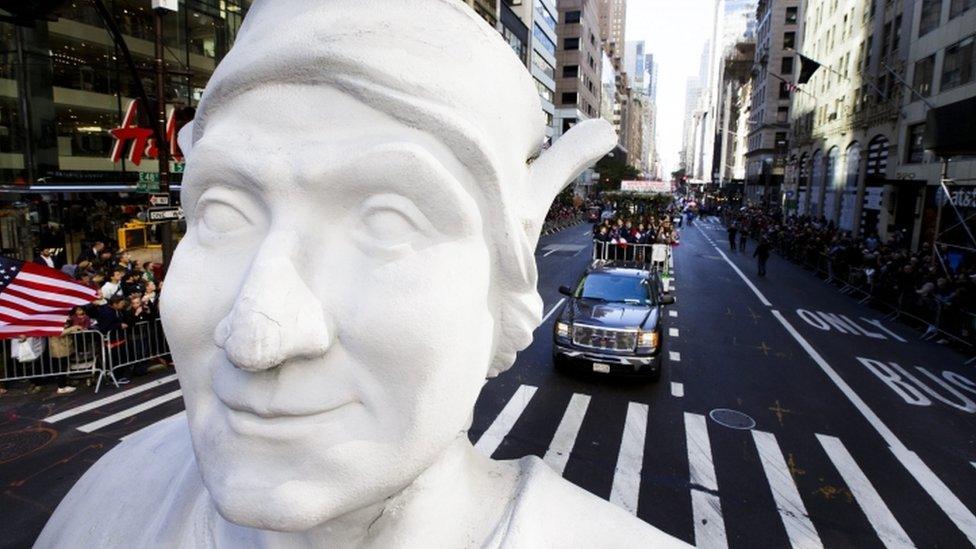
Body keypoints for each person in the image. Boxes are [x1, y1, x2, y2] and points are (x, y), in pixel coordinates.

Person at [37, 2, 684, 546]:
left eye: (388, 222)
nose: (258, 337)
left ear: (503, 289)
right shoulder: (100, 509)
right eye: (223, 213)